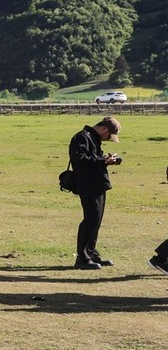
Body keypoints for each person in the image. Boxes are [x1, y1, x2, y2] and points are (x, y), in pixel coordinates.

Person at [68, 115, 122, 269]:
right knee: (90, 220)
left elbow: (91, 158)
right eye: (108, 136)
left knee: (96, 221)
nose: (107, 139)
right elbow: (80, 160)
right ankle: (82, 258)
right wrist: (102, 161)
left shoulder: (93, 138)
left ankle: (91, 253)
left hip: (97, 184)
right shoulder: (82, 138)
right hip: (88, 184)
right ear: (104, 128)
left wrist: (107, 159)